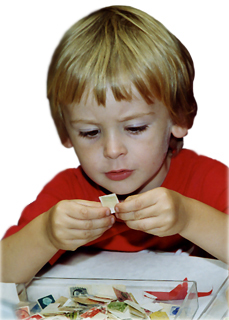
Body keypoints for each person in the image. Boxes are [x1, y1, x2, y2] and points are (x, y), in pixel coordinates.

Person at [1, 5, 228, 284]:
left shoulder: (208, 180)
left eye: (135, 128)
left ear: (178, 119)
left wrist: (189, 218)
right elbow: (4, 272)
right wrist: (46, 234)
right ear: (67, 135)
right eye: (90, 132)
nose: (112, 150)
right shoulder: (67, 195)